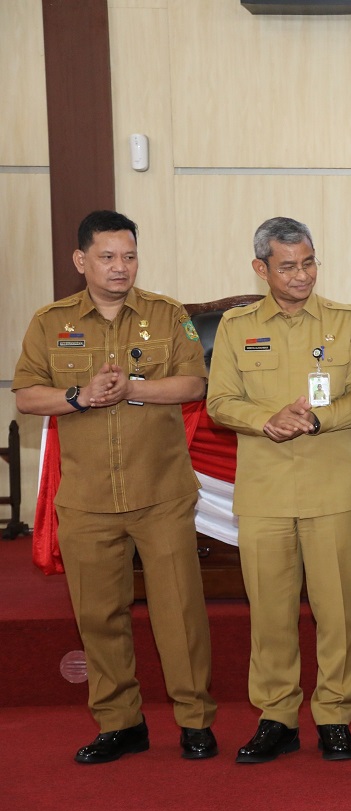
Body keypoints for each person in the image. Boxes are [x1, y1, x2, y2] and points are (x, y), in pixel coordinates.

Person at [13, 210, 217, 763]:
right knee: (99, 617)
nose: (120, 267)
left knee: (179, 613)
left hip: (161, 492)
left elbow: (195, 382)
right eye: (107, 256)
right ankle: (120, 722)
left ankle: (195, 720)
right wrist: (79, 397)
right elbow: (27, 395)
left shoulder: (165, 315)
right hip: (87, 499)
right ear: (81, 261)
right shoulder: (50, 322)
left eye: (129, 256)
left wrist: (133, 389)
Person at [206, 217, 351, 763]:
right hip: (265, 494)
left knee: (339, 613)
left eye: (308, 262)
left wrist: (318, 419)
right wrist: (267, 420)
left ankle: (334, 715)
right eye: (287, 266)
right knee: (271, 614)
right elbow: (219, 402)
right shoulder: (236, 326)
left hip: (332, 489)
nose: (301, 275)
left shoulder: (347, 321)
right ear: (261, 269)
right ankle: (277, 716)